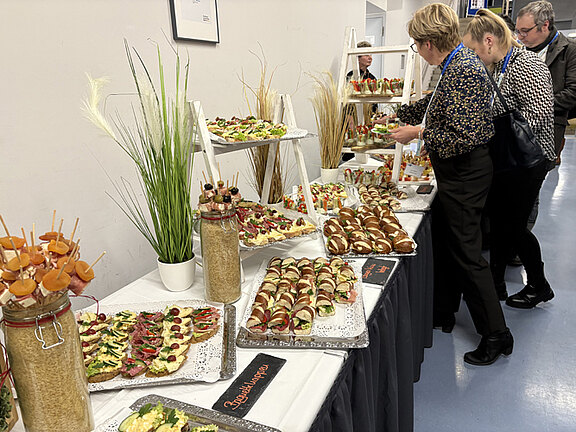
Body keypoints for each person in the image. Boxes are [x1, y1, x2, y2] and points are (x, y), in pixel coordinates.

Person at [384, 3, 512, 366]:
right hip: (457, 173)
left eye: (415, 44)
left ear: (427, 44)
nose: (417, 51)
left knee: (469, 255)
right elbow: (436, 105)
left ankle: (497, 334)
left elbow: (463, 136)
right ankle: (444, 311)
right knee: (448, 242)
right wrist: (401, 114)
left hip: (466, 173)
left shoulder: (465, 69)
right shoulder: (454, 63)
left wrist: (417, 133)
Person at [463, 9, 556, 309]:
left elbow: (540, 113)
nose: (475, 57)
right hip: (509, 160)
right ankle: (497, 281)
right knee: (502, 222)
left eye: (475, 50)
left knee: (514, 226)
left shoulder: (526, 64)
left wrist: (492, 131)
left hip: (528, 159)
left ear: (489, 41)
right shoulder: (501, 66)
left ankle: (539, 285)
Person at [516, 1, 576, 166]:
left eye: (525, 31)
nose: (520, 37)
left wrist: (536, 106)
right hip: (517, 130)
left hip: (548, 132)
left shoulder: (569, 50)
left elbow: (573, 94)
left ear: (545, 25)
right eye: (518, 31)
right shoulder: (519, 52)